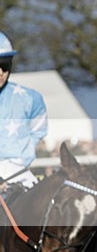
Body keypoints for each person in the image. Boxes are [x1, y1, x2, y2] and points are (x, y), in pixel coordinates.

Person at [0, 31, 48, 190]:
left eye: (5, 65)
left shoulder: (30, 99)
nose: (0, 72)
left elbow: (37, 132)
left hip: (19, 173)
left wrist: (21, 160)